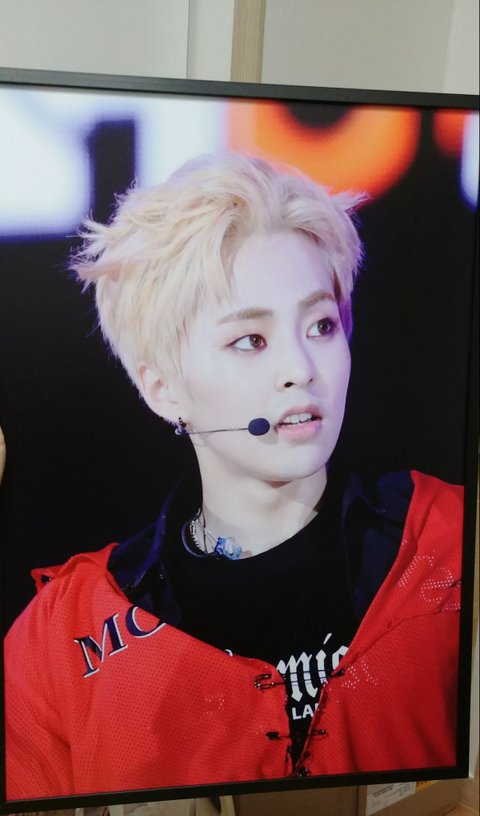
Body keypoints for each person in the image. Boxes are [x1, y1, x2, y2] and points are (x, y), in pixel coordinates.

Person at [4, 154, 462, 800]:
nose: (301, 369)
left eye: (321, 325)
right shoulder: (65, 636)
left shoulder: (453, 543)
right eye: (251, 340)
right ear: (162, 388)